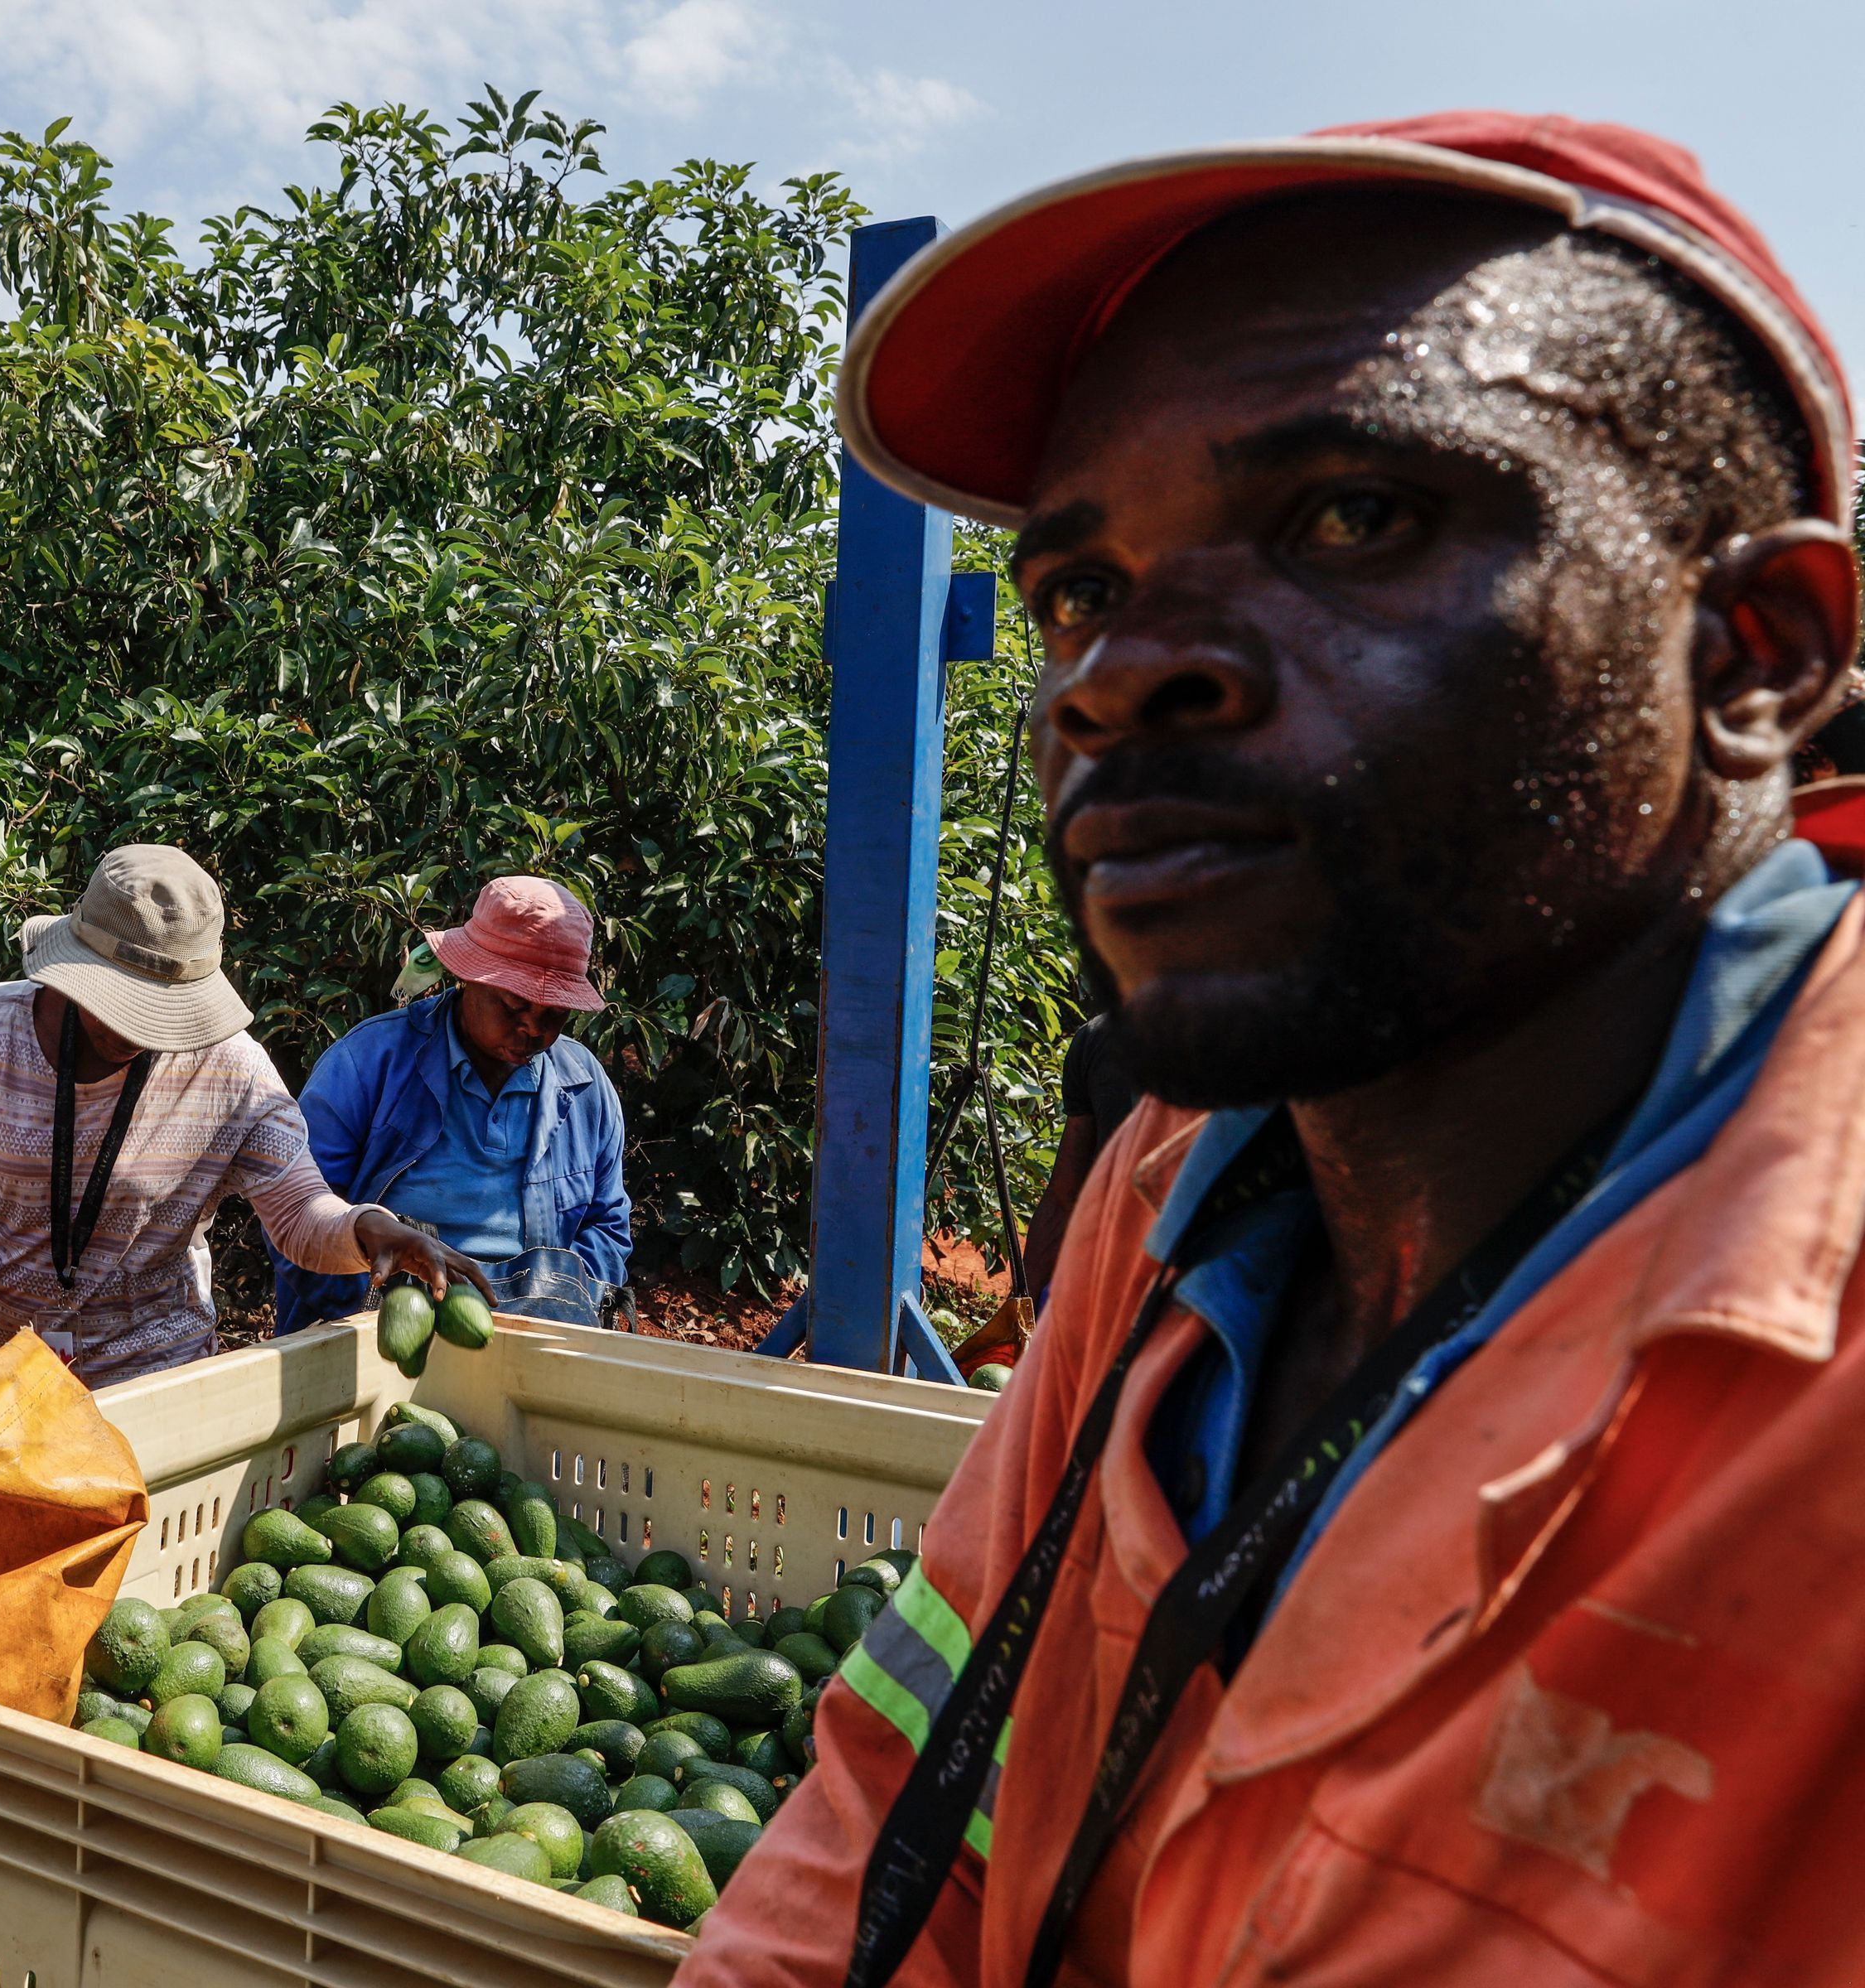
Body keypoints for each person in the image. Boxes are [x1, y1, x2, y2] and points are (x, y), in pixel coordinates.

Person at [683, 115, 1865, 1986]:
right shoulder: (1182, 1178)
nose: (1115, 671)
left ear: (1755, 651)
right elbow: (897, 1805)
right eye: (1080, 584)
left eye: (1353, 516)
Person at [0, 842, 483, 1383]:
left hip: (151, 1370)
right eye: (120, 1003)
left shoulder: (230, 1069)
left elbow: (299, 1214)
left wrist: (365, 1228)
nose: (137, 1031)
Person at [273, 876, 631, 1332]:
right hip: (381, 1324)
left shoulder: (585, 1088)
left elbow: (607, 1226)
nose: (534, 1031)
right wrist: (388, 1305)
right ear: (468, 978)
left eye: (554, 1014)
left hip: (531, 1331)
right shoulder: (365, 1066)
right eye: (513, 1007)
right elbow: (299, 1218)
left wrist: (560, 1309)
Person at [1014, 1011, 1140, 1304]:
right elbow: (1063, 1199)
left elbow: (1063, 1200)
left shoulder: (1102, 1036)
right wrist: (1022, 1316)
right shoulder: (1100, 1039)